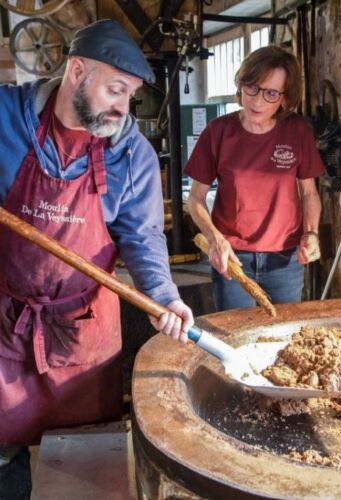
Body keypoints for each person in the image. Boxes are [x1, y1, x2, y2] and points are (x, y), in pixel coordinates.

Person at [0, 19, 193, 498]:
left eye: (129, 95)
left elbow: (144, 239)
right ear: (77, 71)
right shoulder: (6, 117)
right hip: (6, 322)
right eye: (114, 89)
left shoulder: (133, 155)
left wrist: (163, 297)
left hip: (81, 331)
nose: (122, 107)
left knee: (87, 461)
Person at [186, 45, 324, 311]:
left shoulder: (297, 131)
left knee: (282, 336)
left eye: (271, 93)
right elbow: (195, 199)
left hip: (285, 261)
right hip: (233, 259)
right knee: (235, 339)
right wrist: (215, 238)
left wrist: (312, 233)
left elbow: (309, 193)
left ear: (285, 99)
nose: (257, 101)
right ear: (241, 86)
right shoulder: (218, 132)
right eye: (252, 87)